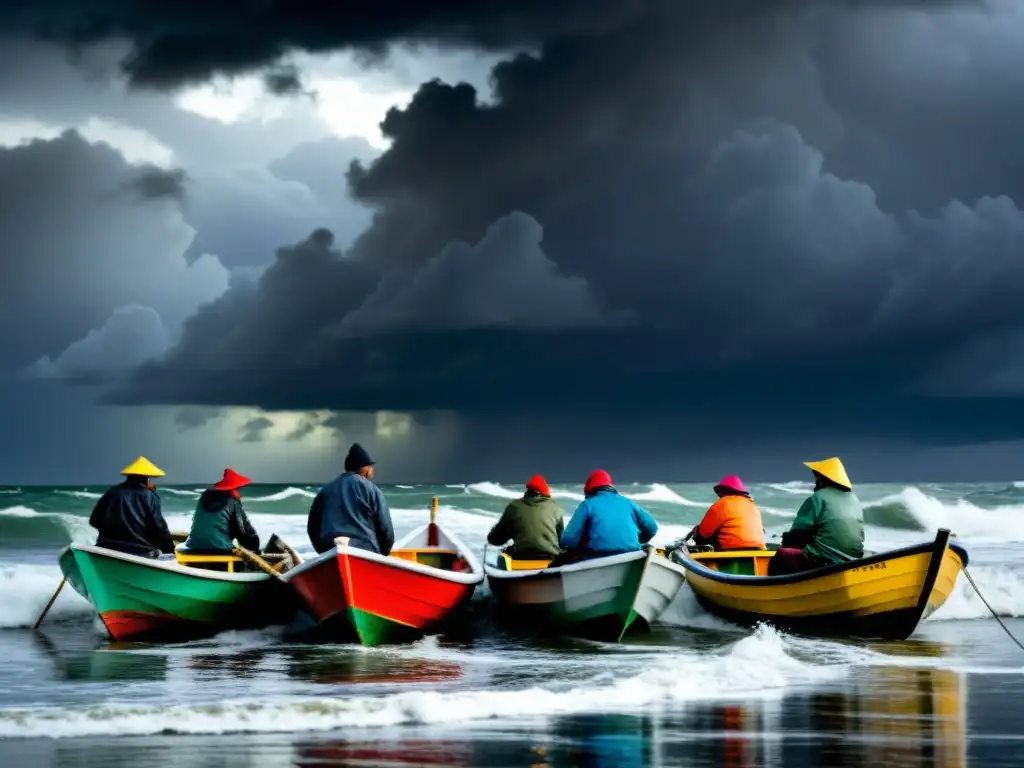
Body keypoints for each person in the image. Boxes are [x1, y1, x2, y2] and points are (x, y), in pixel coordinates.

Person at [768, 457, 865, 576]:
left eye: (817, 478)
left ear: (823, 479)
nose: (815, 482)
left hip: (822, 559)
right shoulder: (854, 500)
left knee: (781, 556)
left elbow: (797, 535)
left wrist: (786, 540)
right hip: (853, 560)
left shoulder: (817, 498)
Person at [307, 443, 394, 555]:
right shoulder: (372, 490)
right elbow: (385, 529)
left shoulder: (325, 491)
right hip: (366, 550)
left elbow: (313, 528)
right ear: (366, 469)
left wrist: (323, 553)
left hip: (331, 550)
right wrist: (382, 555)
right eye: (371, 467)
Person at [559, 469, 659, 561]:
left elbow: (568, 540)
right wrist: (638, 540)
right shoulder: (628, 503)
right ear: (610, 487)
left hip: (598, 556)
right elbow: (652, 528)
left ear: (589, 490)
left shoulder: (588, 504)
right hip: (632, 553)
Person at [89, 456, 175, 558]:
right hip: (141, 552)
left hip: (105, 548)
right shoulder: (150, 495)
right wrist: (171, 550)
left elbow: (94, 521)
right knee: (171, 557)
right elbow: (158, 527)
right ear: (146, 478)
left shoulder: (112, 492)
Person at [181, 468, 260, 555]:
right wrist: (255, 545)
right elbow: (243, 529)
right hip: (220, 548)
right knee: (248, 540)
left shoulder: (204, 495)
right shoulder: (233, 501)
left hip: (193, 545)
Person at [487, 474, 566, 560]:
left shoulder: (515, 507)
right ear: (546, 492)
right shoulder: (556, 508)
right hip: (551, 556)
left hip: (522, 556)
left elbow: (496, 539)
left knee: (503, 556)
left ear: (528, 491)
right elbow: (560, 540)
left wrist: (493, 536)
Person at [691, 475, 766, 551]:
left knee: (699, 534)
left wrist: (696, 532)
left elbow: (703, 535)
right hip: (759, 549)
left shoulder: (722, 503)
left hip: (732, 551)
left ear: (722, 491)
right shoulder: (753, 506)